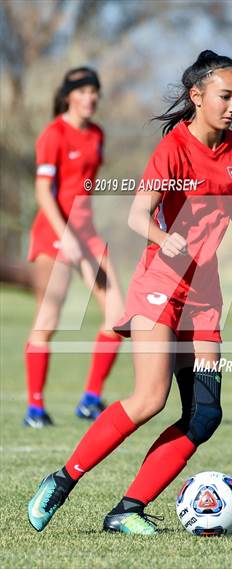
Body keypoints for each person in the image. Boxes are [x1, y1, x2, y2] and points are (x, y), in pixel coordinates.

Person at [27, 51, 232, 533]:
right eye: (225, 96)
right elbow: (137, 215)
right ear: (197, 96)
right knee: (150, 399)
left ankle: (126, 510)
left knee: (204, 414)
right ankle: (62, 481)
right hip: (160, 287)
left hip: (204, 295)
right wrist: (161, 236)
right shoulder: (173, 148)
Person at [24, 67, 124, 428]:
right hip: (54, 233)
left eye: (94, 91)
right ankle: (35, 408)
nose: (90, 97)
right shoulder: (53, 134)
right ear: (68, 95)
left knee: (118, 317)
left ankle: (90, 399)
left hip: (88, 234)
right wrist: (63, 235)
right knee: (47, 320)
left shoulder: (97, 133)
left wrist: (82, 235)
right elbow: (42, 192)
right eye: (82, 91)